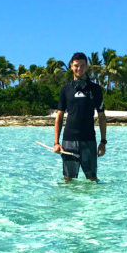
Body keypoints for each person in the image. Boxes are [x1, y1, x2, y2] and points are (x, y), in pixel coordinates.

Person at [52, 52, 107, 181]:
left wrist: (103, 142)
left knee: (93, 180)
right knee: (68, 180)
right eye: (76, 65)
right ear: (71, 66)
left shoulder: (96, 89)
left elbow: (102, 116)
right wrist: (56, 143)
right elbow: (59, 117)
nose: (79, 69)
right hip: (69, 141)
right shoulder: (65, 89)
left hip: (89, 140)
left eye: (82, 65)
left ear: (87, 67)